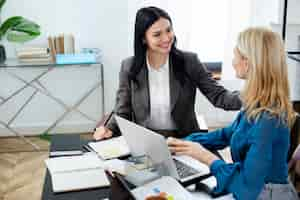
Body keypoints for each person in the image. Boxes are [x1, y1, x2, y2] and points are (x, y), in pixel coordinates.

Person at [165, 27, 299, 199]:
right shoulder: (256, 103)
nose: (233, 61)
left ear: (249, 62)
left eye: (236, 55)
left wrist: (205, 156)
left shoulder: (268, 119)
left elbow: (248, 189)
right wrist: (181, 144)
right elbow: (226, 135)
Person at [94, 6, 241, 140]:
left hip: (184, 140)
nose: (166, 38)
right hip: (146, 141)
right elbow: (122, 111)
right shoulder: (129, 66)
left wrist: (256, 95)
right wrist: (109, 129)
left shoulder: (189, 61)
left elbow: (219, 96)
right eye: (157, 34)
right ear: (144, 39)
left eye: (168, 30)